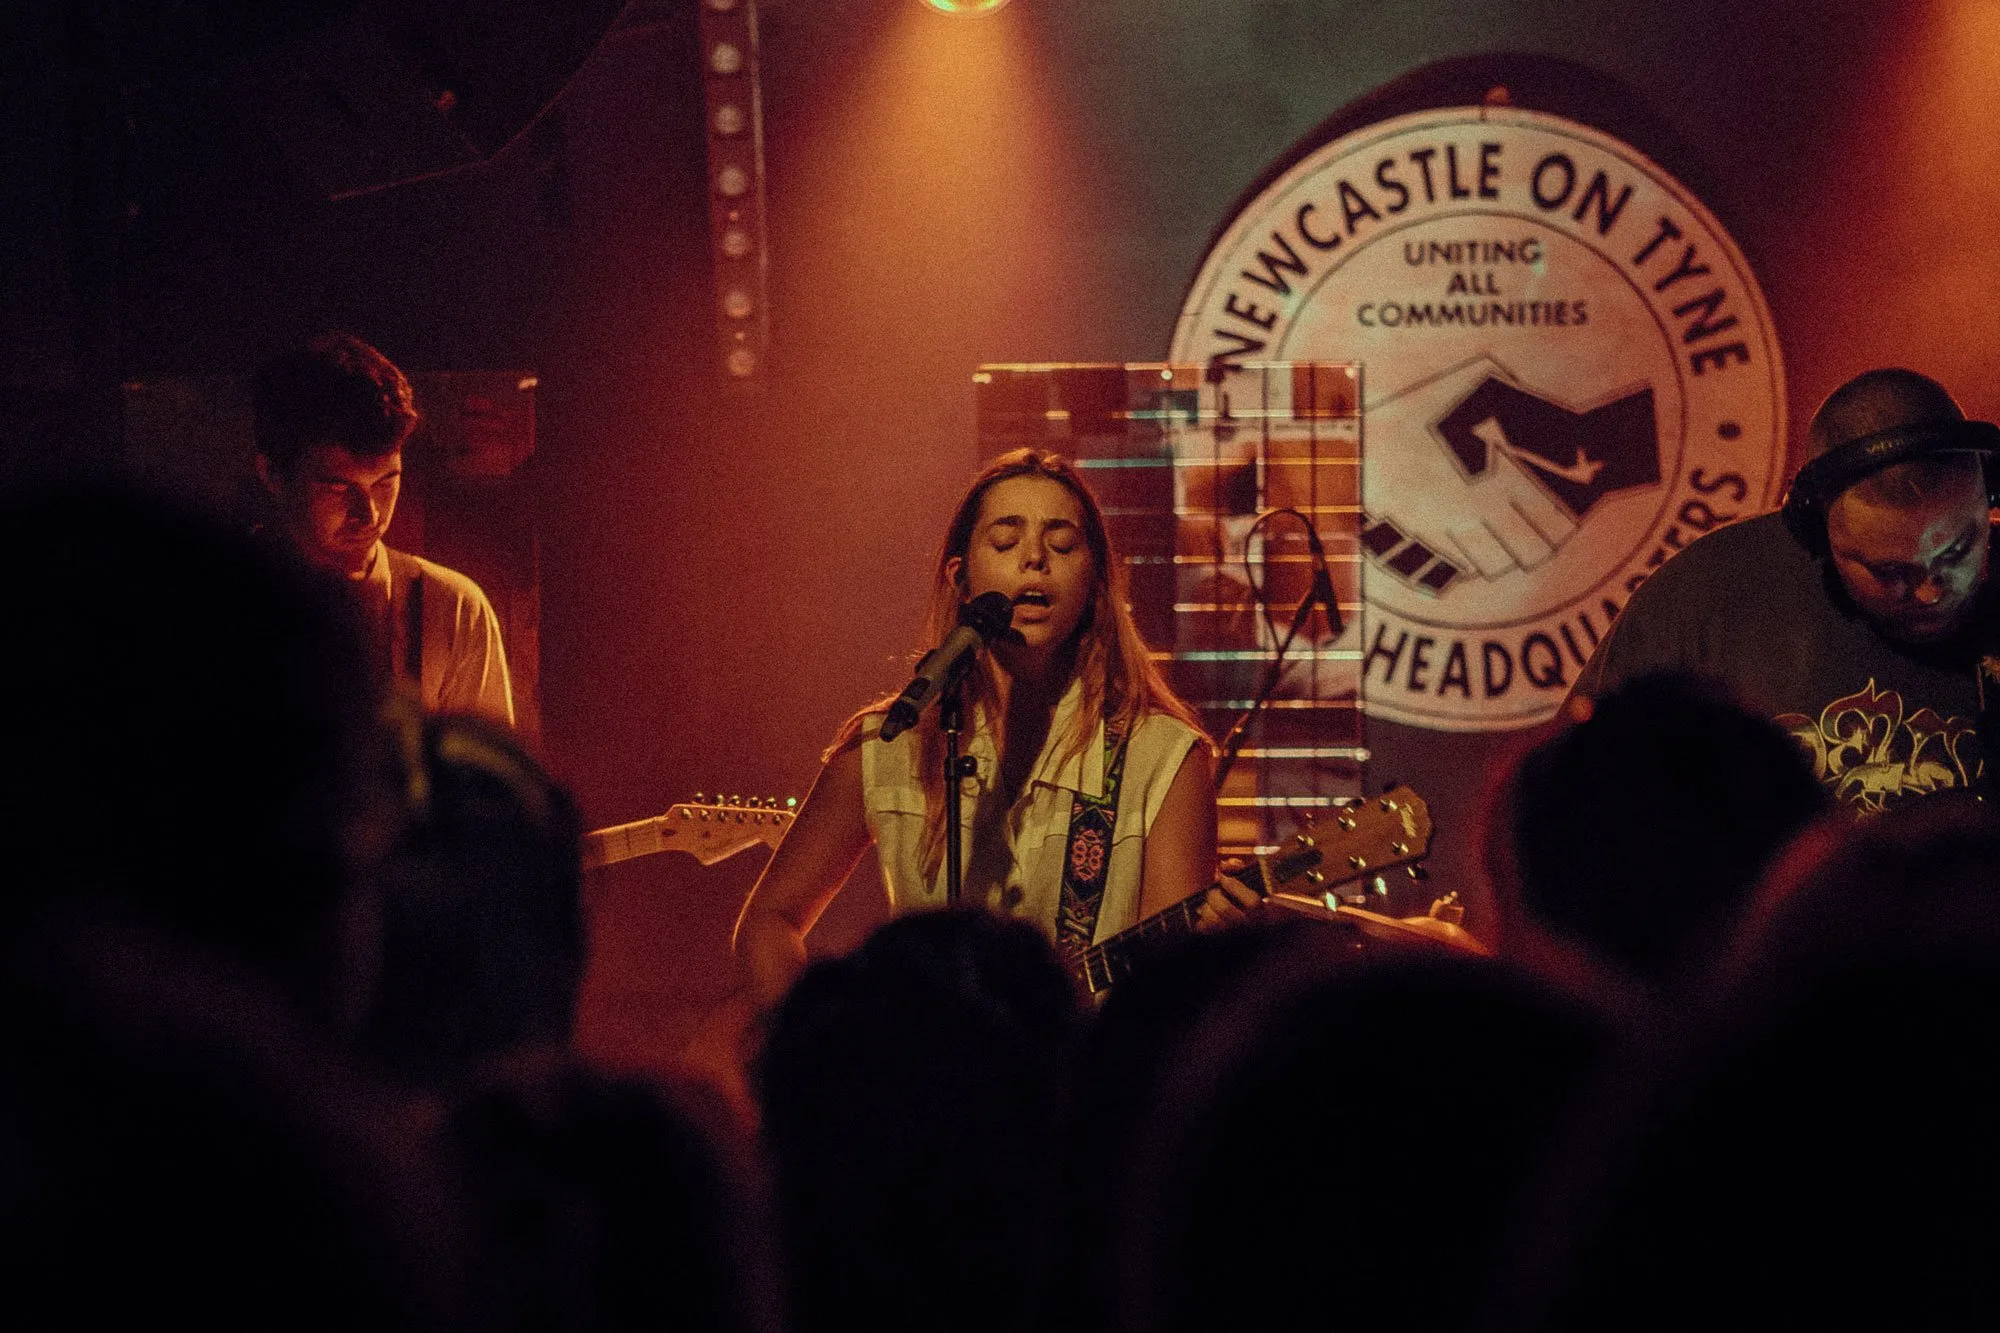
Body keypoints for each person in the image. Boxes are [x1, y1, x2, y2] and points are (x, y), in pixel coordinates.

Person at [732, 448, 1244, 1010]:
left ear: (1096, 579)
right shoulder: (887, 745)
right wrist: (819, 1049)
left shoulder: (1162, 758)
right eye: (1005, 542)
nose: (1034, 559)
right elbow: (769, 920)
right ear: (962, 578)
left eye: (1062, 544)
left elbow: (1164, 1003)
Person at [1569, 367, 1997, 812]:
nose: (1929, 592)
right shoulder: (1702, 599)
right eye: (1888, 572)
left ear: (1989, 492)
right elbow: (1566, 801)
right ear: (1817, 531)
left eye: (1957, 550)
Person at [253, 332, 515, 726]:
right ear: (272, 474)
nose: (369, 514)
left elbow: (479, 767)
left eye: (385, 482)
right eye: (338, 487)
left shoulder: (453, 610)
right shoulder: (201, 610)